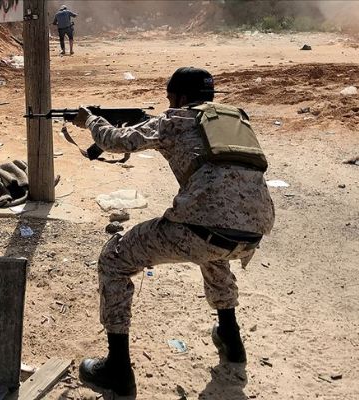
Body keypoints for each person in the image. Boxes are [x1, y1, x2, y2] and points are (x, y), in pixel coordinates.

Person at [73, 67, 275, 397]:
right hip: (253, 231)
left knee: (113, 259)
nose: (169, 105)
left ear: (179, 98)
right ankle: (231, 340)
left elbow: (114, 141)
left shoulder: (173, 121)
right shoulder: (237, 119)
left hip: (200, 228)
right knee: (213, 254)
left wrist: (91, 120)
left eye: (170, 99)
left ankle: (117, 371)